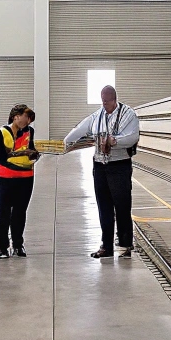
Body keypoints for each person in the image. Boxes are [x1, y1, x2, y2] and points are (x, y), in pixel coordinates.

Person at [62, 84, 139, 259]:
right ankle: (106, 246)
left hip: (119, 166)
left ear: (114, 99)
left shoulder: (129, 115)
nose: (105, 105)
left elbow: (132, 137)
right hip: (100, 166)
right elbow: (81, 128)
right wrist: (66, 141)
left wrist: (114, 141)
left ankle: (126, 244)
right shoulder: (97, 116)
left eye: (107, 102)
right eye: (103, 102)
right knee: (103, 206)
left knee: (122, 206)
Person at [0, 104, 40, 258]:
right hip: (4, 179)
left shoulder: (29, 132)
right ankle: (3, 248)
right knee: (4, 214)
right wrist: (18, 158)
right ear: (16, 116)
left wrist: (34, 154)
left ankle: (18, 245)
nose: (28, 122)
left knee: (20, 213)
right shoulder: (1, 134)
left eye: (29, 119)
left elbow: (31, 149)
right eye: (26, 118)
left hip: (25, 179)